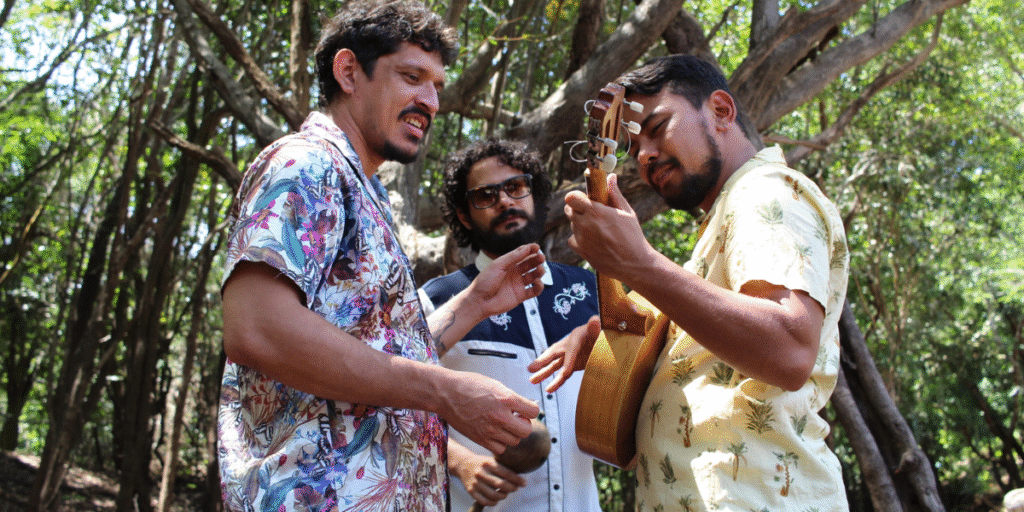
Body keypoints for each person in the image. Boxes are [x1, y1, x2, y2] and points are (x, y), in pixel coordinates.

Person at [216, 2, 544, 511]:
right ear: (348, 71)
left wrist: (473, 304)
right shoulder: (307, 163)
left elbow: (371, 354)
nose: (430, 101)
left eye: (437, 86)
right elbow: (257, 327)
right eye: (412, 77)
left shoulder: (366, 192)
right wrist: (444, 390)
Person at [533, 55, 851, 511]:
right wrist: (611, 342)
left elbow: (789, 349)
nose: (644, 155)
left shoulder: (765, 192)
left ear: (721, 111)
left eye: (658, 127)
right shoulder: (721, 223)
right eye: (634, 147)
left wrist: (640, 264)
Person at [418, 138, 603, 511]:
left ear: (534, 196)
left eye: (516, 187)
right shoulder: (436, 301)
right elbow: (391, 399)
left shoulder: (590, 292)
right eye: (485, 196)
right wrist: (458, 461)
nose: (504, 201)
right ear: (464, 216)